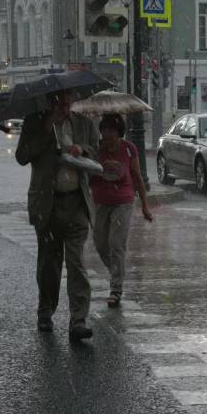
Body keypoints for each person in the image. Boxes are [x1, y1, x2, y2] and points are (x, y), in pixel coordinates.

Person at [15, 90, 99, 341]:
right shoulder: (35, 122)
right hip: (47, 204)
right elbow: (22, 156)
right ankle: (45, 312)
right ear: (50, 102)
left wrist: (80, 150)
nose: (64, 107)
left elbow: (95, 150)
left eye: (68, 102)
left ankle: (78, 320)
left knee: (77, 264)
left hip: (76, 201)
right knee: (49, 265)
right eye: (59, 102)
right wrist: (46, 129)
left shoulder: (83, 123)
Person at [90, 114, 153, 309]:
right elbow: (88, 175)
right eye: (105, 130)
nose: (108, 134)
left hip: (123, 202)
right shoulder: (96, 149)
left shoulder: (128, 149)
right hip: (100, 202)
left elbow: (136, 176)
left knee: (116, 244)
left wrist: (144, 204)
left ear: (119, 132)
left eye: (112, 130)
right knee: (101, 244)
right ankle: (117, 272)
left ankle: (116, 288)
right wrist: (100, 168)